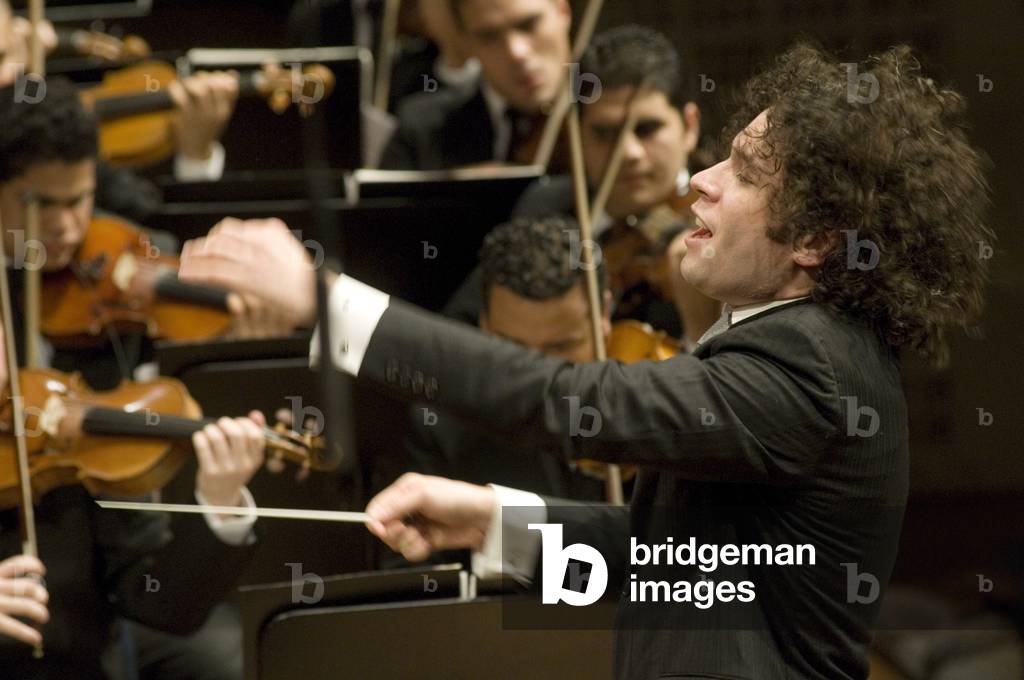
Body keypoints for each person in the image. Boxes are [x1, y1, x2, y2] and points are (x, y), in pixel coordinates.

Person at [178, 43, 994, 679]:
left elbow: (566, 399)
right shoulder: (801, 345)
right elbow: (684, 566)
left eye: (743, 173)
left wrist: (327, 302)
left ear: (817, 240)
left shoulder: (808, 362)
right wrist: (497, 521)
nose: (698, 183)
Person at [0, 77, 295, 391]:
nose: (62, 225)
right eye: (41, 203)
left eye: (77, 201)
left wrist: (232, 349)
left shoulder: (130, 251)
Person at [443, 24, 721, 347]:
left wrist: (700, 329)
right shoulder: (548, 203)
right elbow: (461, 327)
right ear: (576, 136)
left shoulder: (716, 222)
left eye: (646, 129)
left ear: (689, 126)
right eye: (604, 134)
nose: (627, 154)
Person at [406, 215, 607, 500]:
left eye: (562, 346)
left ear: (605, 314)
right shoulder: (442, 429)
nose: (538, 376)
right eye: (514, 349)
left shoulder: (652, 404)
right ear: (483, 323)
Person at [0, 0, 238, 222]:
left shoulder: (47, 138)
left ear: (20, 47)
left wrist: (195, 155)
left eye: (1, 57)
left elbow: (157, 225)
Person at [380, 0, 572, 170]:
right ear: (465, 41)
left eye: (528, 24)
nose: (516, 52)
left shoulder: (595, 110)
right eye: (489, 36)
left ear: (563, 11)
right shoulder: (422, 130)